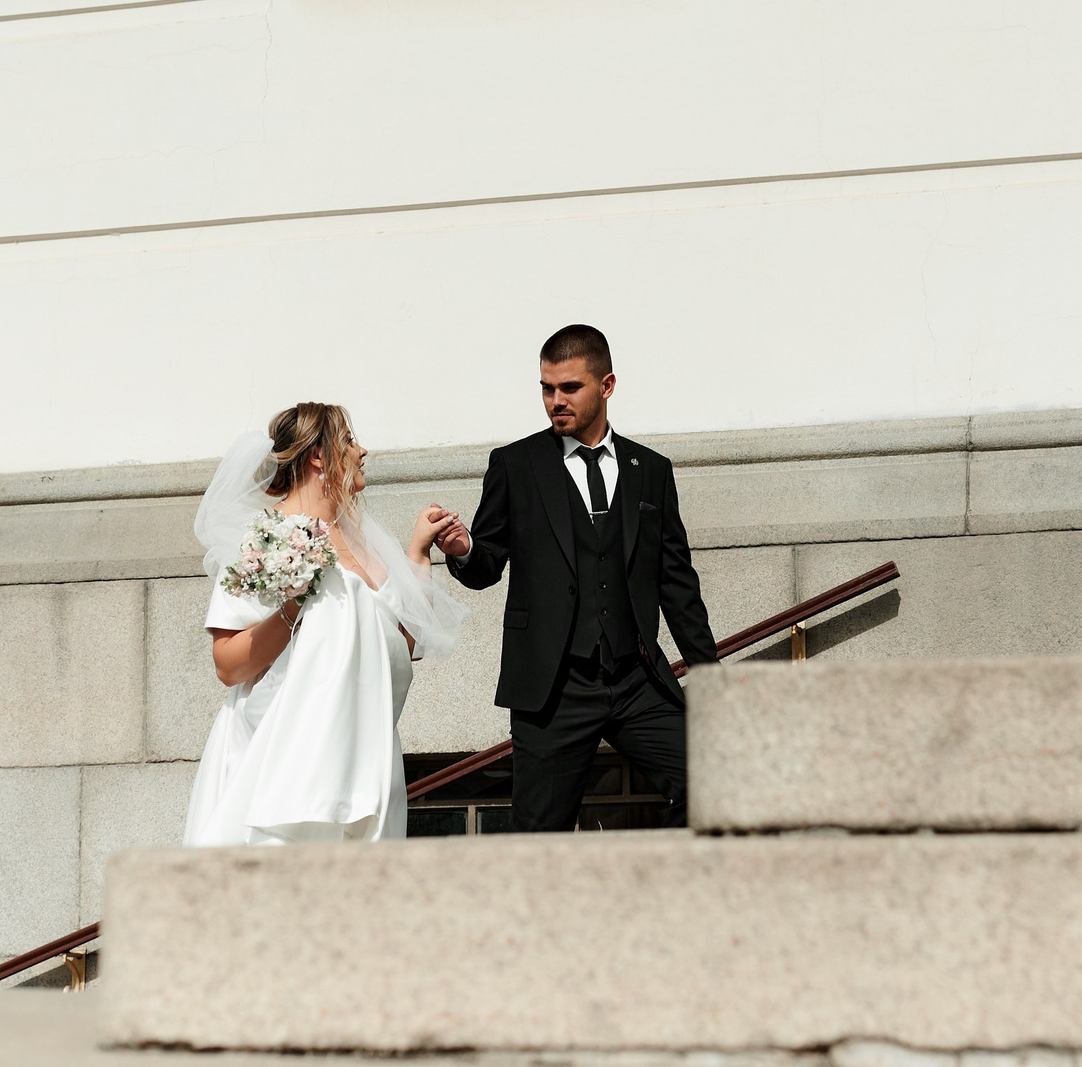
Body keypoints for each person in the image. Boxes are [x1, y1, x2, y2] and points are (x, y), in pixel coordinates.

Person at [431, 324, 718, 830]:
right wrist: (464, 548)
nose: (554, 400)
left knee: (716, 782)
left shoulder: (650, 469)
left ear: (606, 386)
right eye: (546, 388)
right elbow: (486, 565)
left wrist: (716, 680)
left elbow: (677, 582)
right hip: (553, 686)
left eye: (569, 388)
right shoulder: (515, 465)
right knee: (540, 835)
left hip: (635, 678)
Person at [181, 401, 469, 844]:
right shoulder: (266, 538)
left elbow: (400, 647)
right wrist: (293, 606)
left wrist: (416, 554)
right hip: (289, 755)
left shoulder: (363, 540)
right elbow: (228, 664)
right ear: (319, 456)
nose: (363, 451)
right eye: (350, 440)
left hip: (364, 753)